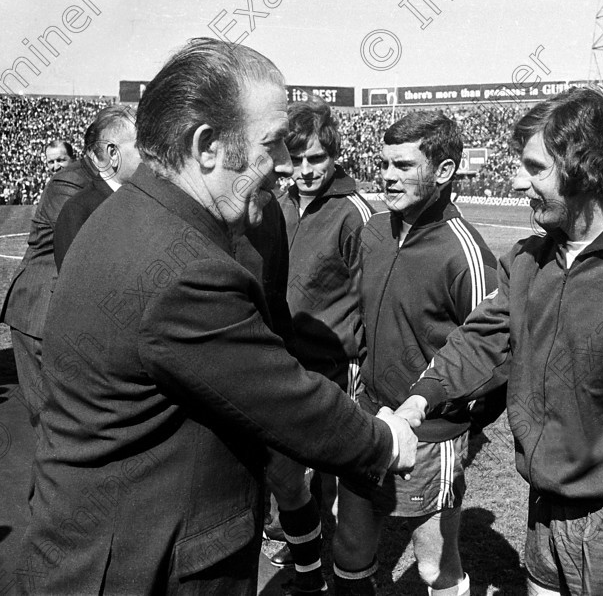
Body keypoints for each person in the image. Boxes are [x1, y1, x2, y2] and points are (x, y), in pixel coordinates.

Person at [16, 37, 417, 595]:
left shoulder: (128, 214)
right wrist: (385, 440)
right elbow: (278, 395)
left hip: (104, 544)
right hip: (143, 561)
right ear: (206, 147)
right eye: (272, 145)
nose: (282, 167)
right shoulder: (182, 268)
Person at [396, 89, 603, 595]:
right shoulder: (528, 259)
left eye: (533, 168)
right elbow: (484, 338)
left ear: (583, 169)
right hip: (544, 505)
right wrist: (423, 396)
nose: (516, 182)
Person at [332, 111, 500, 596]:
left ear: (443, 172)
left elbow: (493, 351)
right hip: (366, 421)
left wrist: (455, 424)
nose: (388, 175)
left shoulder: (464, 253)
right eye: (385, 163)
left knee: (435, 570)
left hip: (430, 435)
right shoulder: (374, 232)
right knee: (350, 550)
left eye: (404, 165)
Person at [262, 98, 374, 588]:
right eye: (298, 159)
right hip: (281, 365)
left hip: (334, 368)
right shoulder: (277, 205)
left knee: (336, 485)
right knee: (285, 478)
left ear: (334, 157)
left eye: (317, 159)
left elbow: (373, 297)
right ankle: (309, 572)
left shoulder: (356, 214)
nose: (306, 171)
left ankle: (345, 570)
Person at [1, 127, 102, 428]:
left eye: (61, 160)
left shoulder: (70, 185)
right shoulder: (64, 186)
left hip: (48, 304)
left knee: (58, 413)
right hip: (37, 305)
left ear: (73, 158)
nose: (56, 167)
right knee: (49, 415)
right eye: (51, 163)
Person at [53, 105, 141, 270]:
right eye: (141, 145)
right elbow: (74, 284)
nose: (151, 153)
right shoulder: (79, 211)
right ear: (113, 154)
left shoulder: (148, 200)